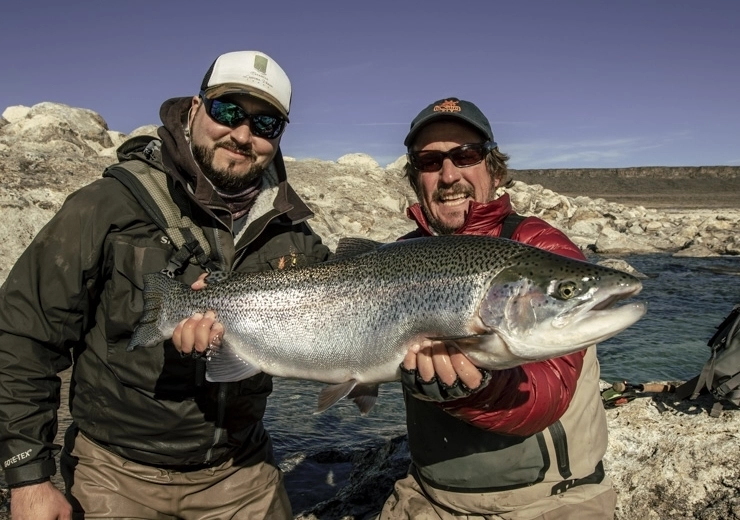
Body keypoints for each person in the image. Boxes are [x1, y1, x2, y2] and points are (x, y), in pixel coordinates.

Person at [0, 50, 330, 519]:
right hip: (114, 474)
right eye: (229, 111)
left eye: (265, 125)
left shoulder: (295, 234)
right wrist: (28, 477)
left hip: (242, 471)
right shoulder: (105, 206)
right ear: (195, 109)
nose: (242, 135)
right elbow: (22, 334)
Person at [378, 97, 616, 519]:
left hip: (552, 502)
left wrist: (481, 389)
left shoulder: (541, 248)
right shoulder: (397, 257)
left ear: (493, 168)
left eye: (465, 156)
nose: (449, 175)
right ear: (416, 178)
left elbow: (551, 390)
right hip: (429, 498)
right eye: (430, 162)